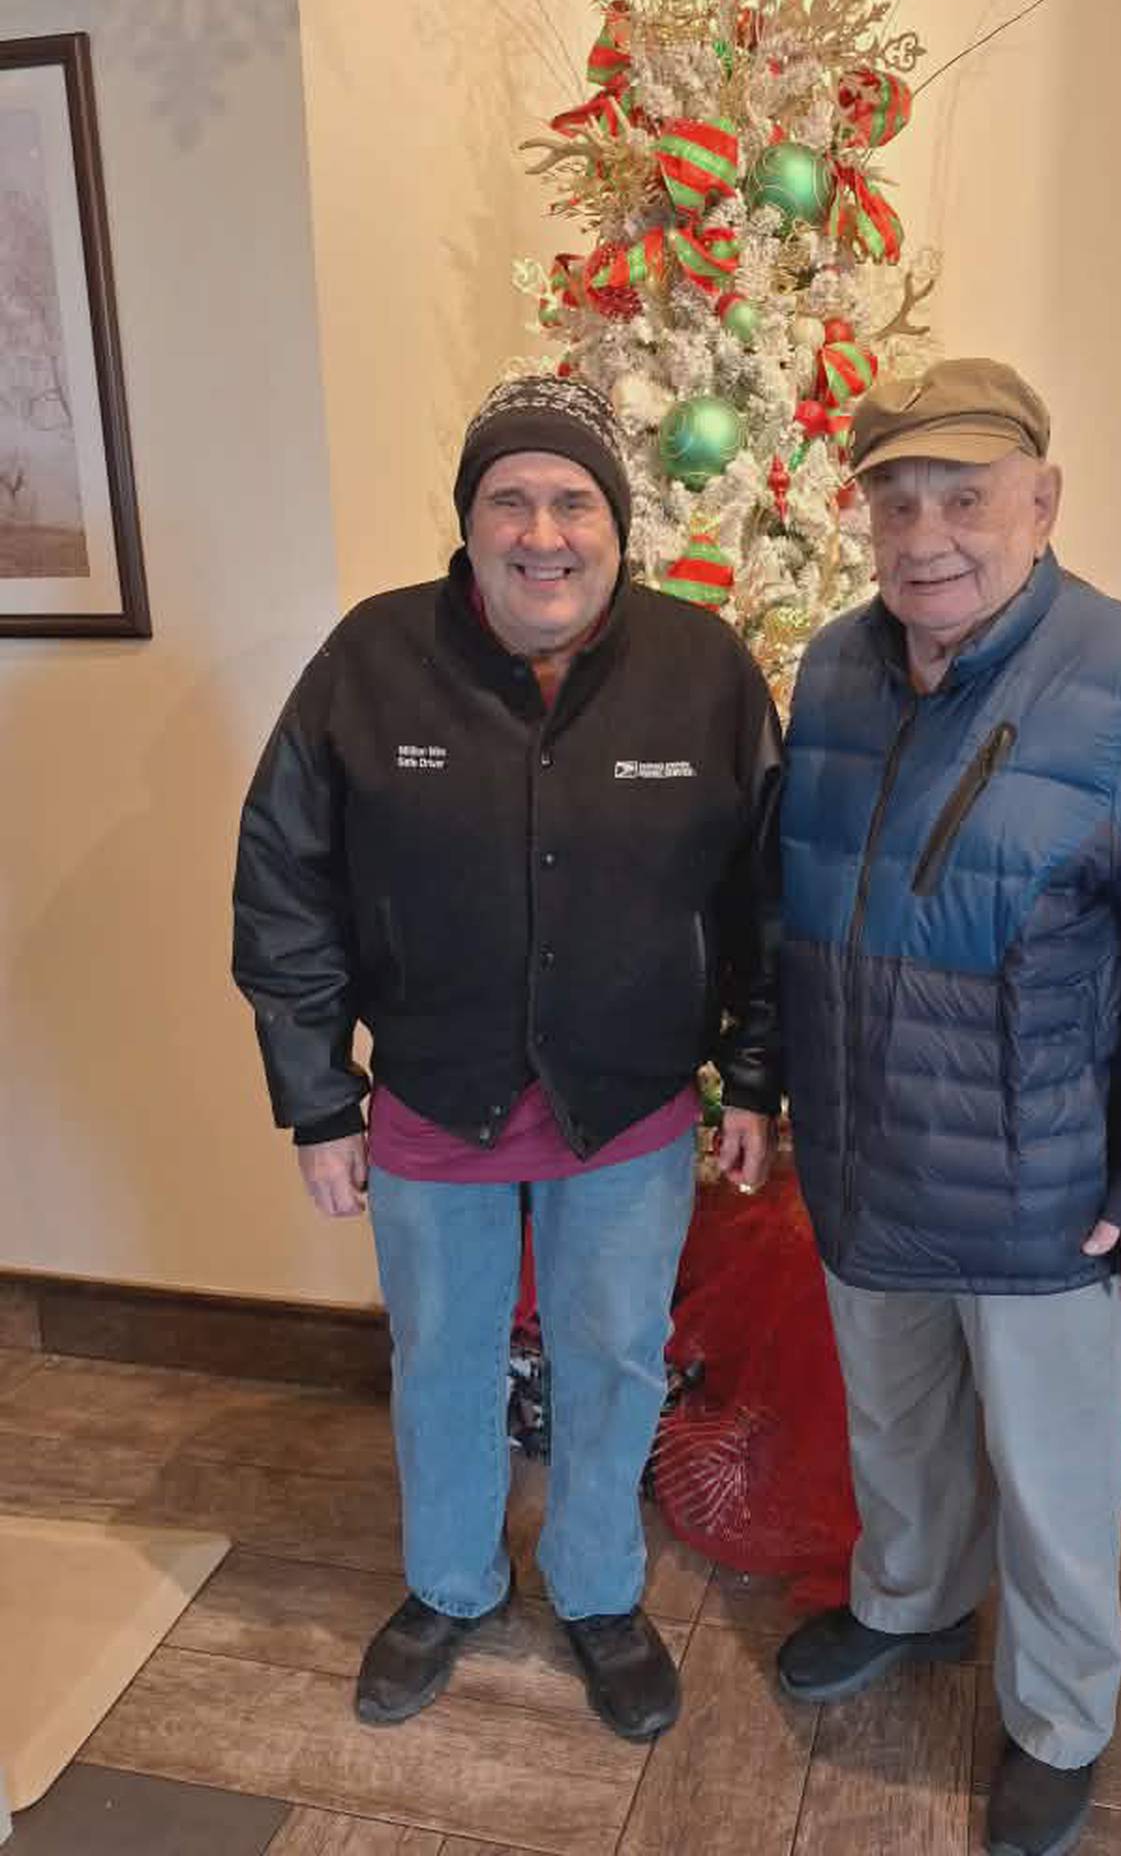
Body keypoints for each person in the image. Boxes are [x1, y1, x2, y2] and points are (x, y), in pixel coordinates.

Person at [775, 358, 1121, 1855]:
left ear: (1042, 502)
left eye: (967, 497)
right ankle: (915, 1605)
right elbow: (783, 904)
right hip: (869, 1164)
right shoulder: (834, 672)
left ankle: (1061, 1718)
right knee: (900, 1433)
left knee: (1057, 1485)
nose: (928, 533)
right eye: (896, 499)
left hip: (1049, 1194)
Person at [233, 374, 781, 1742]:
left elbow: (772, 895)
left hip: (632, 1101)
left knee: (614, 1356)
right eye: (510, 499)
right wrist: (317, 1098)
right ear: (470, 521)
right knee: (443, 1356)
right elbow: (284, 884)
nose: (544, 531)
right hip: (432, 1093)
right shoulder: (367, 661)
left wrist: (756, 1077)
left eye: (574, 500)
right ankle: (450, 1584)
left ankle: (599, 1591)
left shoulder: (702, 669)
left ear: (619, 523)